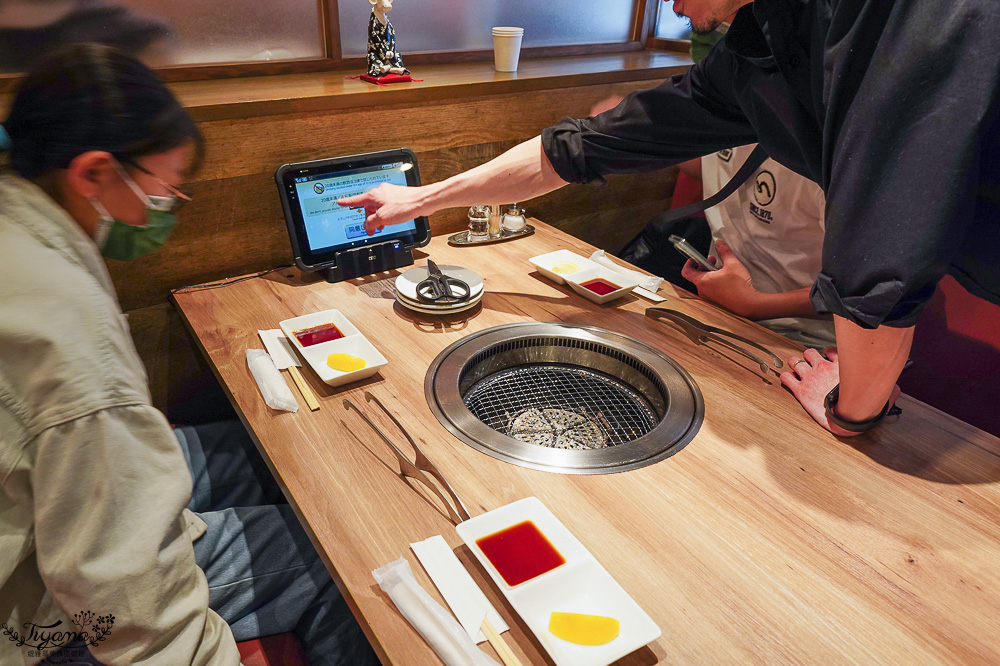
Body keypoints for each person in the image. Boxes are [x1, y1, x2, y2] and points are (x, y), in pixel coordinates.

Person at [340, 0, 1000, 437]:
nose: (675, 6)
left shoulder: (892, 20)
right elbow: (582, 147)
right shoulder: (760, 45)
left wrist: (849, 413)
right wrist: (418, 200)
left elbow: (883, 253)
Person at [0, 44, 376, 665]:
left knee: (255, 450)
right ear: (93, 172)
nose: (167, 209)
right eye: (163, 190)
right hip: (36, 613)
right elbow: (127, 591)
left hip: (42, 496)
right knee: (333, 550)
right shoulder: (69, 335)